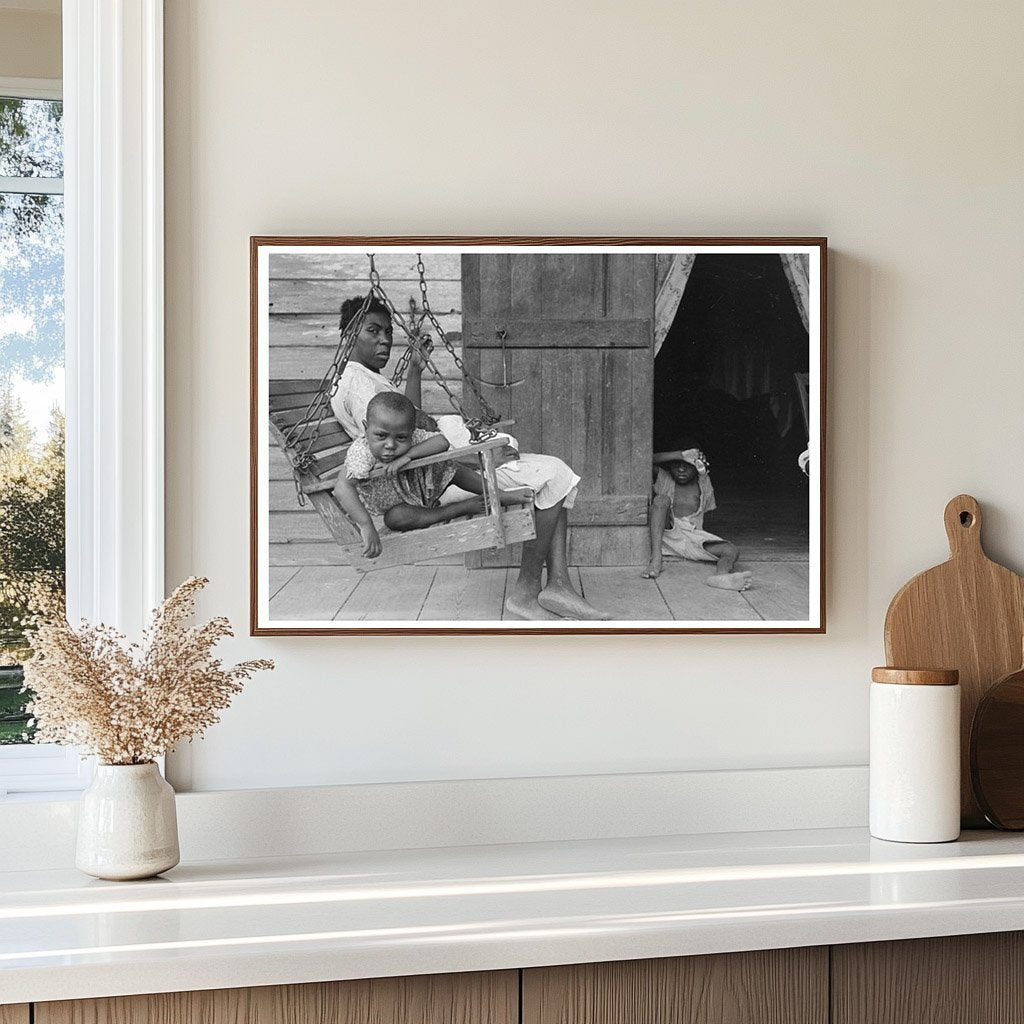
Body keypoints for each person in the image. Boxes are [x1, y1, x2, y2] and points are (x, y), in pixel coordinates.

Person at [329, 295, 609, 621]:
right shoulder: (359, 382)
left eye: (388, 331)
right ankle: (529, 592)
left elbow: (409, 422)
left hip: (426, 472)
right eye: (373, 331)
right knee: (554, 474)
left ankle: (558, 585)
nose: (385, 339)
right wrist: (480, 460)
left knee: (548, 474)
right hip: (423, 485)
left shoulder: (364, 377)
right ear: (349, 335)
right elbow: (397, 440)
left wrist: (416, 371)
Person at [333, 391, 529, 558]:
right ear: (366, 428)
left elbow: (441, 442)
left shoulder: (412, 436)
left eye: (401, 438)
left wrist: (407, 456)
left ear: (411, 432)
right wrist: (366, 525)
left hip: (421, 488)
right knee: (394, 518)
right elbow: (343, 487)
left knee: (452, 468)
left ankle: (499, 495)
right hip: (400, 506)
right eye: (381, 436)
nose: (391, 445)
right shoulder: (362, 452)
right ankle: (458, 509)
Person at [641, 444, 752, 591]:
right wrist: (680, 455)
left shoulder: (704, 482)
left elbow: (703, 473)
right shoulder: (664, 479)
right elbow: (643, 460)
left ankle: (721, 576)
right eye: (676, 464)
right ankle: (656, 558)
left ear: (697, 468)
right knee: (661, 500)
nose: (681, 469)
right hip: (667, 535)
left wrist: (698, 461)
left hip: (693, 537)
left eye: (687, 465)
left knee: (731, 550)